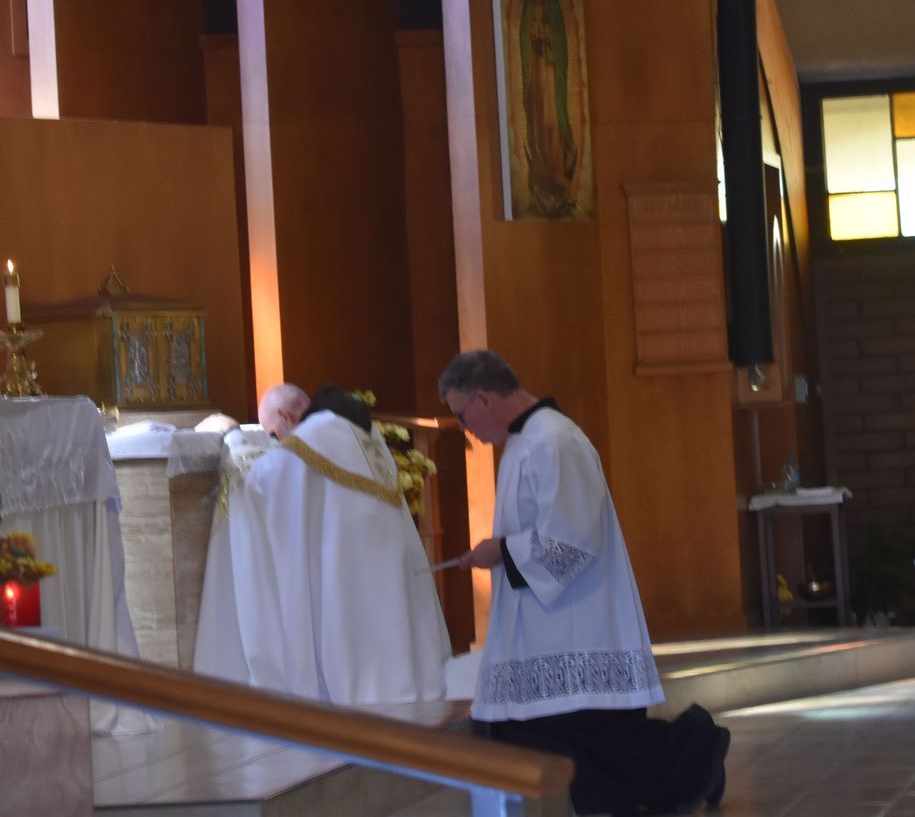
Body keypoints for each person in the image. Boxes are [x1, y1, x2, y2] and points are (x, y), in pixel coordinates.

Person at [442, 350, 728, 816]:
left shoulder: (555, 440)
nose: (463, 427)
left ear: (485, 399)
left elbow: (573, 540)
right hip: (546, 629)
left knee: (599, 744)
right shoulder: (523, 443)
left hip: (578, 627)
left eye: (462, 414)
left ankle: (701, 750)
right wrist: (501, 550)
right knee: (540, 735)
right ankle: (696, 762)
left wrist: (502, 551)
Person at [200, 381, 451, 704]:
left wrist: (233, 438)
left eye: (274, 434)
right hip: (380, 566)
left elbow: (259, 482)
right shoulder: (361, 433)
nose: (277, 442)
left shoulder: (314, 438)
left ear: (286, 416)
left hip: (346, 572)